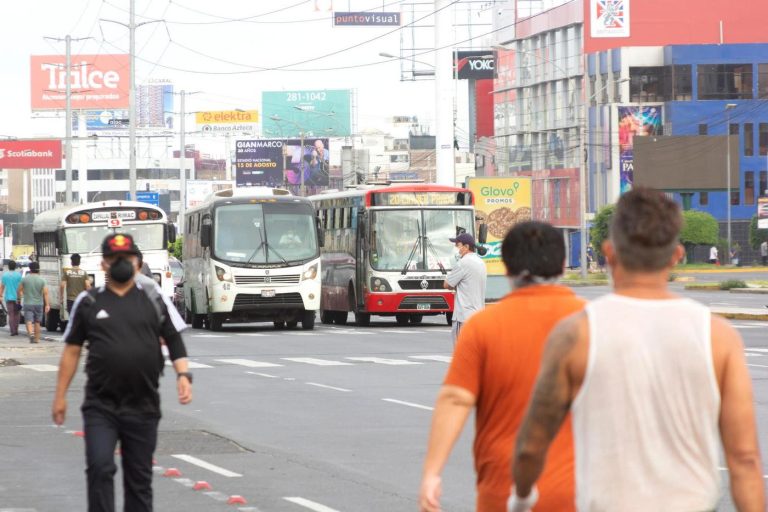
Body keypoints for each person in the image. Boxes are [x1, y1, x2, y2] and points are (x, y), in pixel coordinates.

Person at [511, 188, 766, 511]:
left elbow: (531, 447)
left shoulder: (575, 334)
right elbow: (744, 459)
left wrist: (521, 499)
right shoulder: (718, 336)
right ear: (677, 256)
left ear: (608, 253)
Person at [420, 222, 586, 512]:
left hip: (502, 490)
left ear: (507, 268)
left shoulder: (483, 328)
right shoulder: (592, 321)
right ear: (562, 265)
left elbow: (455, 398)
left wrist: (432, 473)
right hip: (579, 490)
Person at [51, 233, 192, 512]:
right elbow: (71, 350)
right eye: (114, 258)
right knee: (100, 468)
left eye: (126, 258)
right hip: (101, 406)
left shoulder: (152, 298)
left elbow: (173, 338)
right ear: (104, 264)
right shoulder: (88, 302)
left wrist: (184, 375)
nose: (121, 263)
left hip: (142, 406)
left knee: (138, 479)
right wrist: (60, 396)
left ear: (136, 263)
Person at [443, 233, 487, 343]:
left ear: (466, 247)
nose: (457, 249)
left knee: (461, 352)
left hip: (463, 316)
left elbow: (447, 284)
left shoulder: (462, 263)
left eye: (458, 245)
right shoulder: (481, 263)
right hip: (478, 315)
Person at [18, 261, 50, 344]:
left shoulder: (24, 279)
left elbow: (19, 290)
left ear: (30, 269)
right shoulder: (42, 280)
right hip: (39, 304)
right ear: (38, 269)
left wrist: (23, 295)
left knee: (28, 321)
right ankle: (36, 339)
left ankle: (31, 334)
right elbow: (45, 293)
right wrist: (47, 305)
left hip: (28, 303)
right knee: (37, 322)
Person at [0, 260, 23, 335]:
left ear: (8, 267)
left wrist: (0, 295)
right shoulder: (19, 275)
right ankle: (16, 330)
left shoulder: (5, 275)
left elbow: (2, 287)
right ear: (15, 266)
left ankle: (12, 331)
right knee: (17, 314)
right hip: (17, 298)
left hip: (8, 297)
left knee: (11, 314)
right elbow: (21, 287)